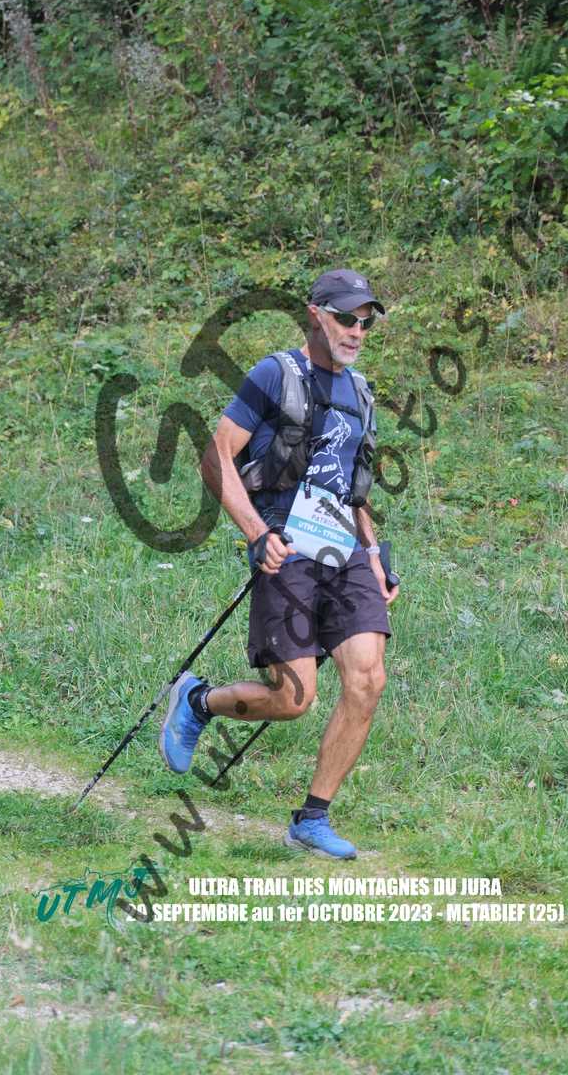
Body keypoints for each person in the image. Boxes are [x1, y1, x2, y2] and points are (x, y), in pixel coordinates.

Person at [159, 269, 400, 859]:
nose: (357, 331)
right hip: (286, 548)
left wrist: (373, 555)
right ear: (316, 314)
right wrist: (256, 532)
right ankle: (198, 701)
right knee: (293, 699)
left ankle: (312, 819)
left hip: (344, 552)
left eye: (366, 323)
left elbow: (353, 488)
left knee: (367, 680)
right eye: (346, 318)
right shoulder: (276, 374)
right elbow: (216, 457)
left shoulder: (361, 392)